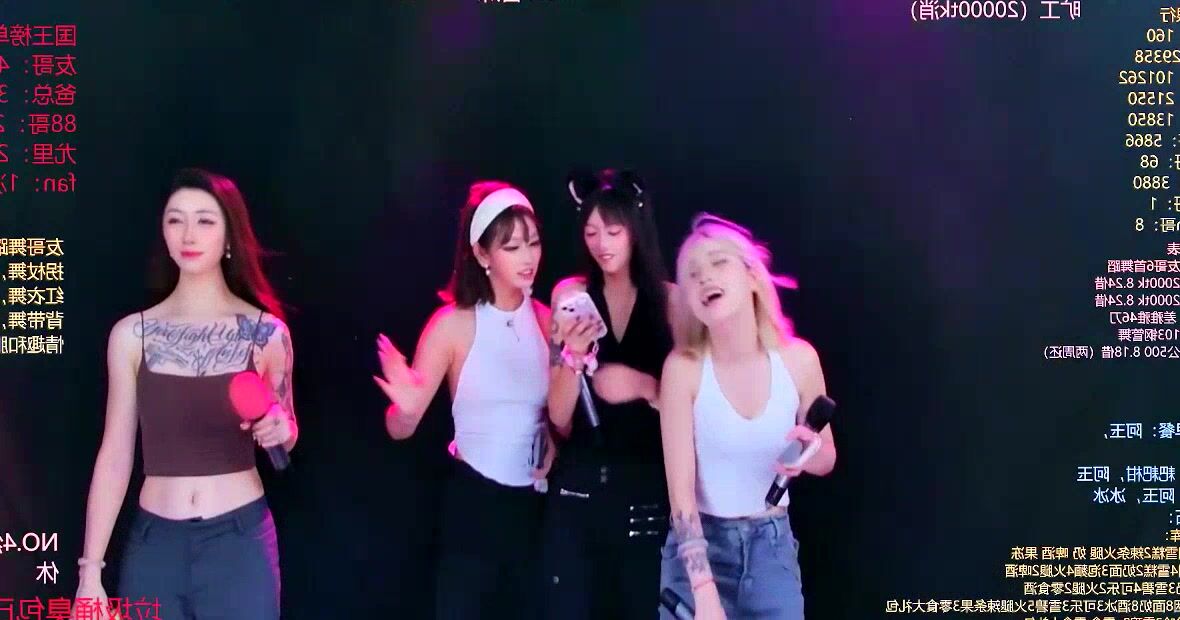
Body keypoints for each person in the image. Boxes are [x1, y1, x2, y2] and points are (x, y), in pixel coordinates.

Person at [75, 168, 297, 620]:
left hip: (239, 545)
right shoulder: (131, 335)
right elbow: (115, 454)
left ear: (229, 235)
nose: (189, 234)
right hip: (155, 546)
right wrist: (90, 573)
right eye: (176, 220)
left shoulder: (267, 332)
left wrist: (280, 427)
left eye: (205, 221)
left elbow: (288, 429)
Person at [373, 181, 555, 619]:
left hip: (535, 507)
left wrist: (555, 439)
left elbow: (560, 412)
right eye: (512, 246)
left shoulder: (548, 320)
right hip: (474, 504)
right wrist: (406, 409)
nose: (528, 256)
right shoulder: (452, 324)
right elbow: (400, 428)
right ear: (481, 254)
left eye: (533, 243)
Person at [657, 213, 837, 620]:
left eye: (718, 262)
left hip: (771, 550)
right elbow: (681, 497)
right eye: (692, 274)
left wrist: (807, 453)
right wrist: (704, 594)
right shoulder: (682, 370)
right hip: (700, 552)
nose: (705, 277)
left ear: (753, 275)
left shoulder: (799, 360)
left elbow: (827, 458)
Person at [540, 169, 680, 619]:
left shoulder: (673, 302)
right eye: (591, 232)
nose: (602, 244)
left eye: (613, 231)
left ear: (636, 229)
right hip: (581, 481)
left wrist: (644, 386)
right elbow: (559, 415)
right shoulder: (572, 294)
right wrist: (572, 357)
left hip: (646, 484)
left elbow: (694, 411)